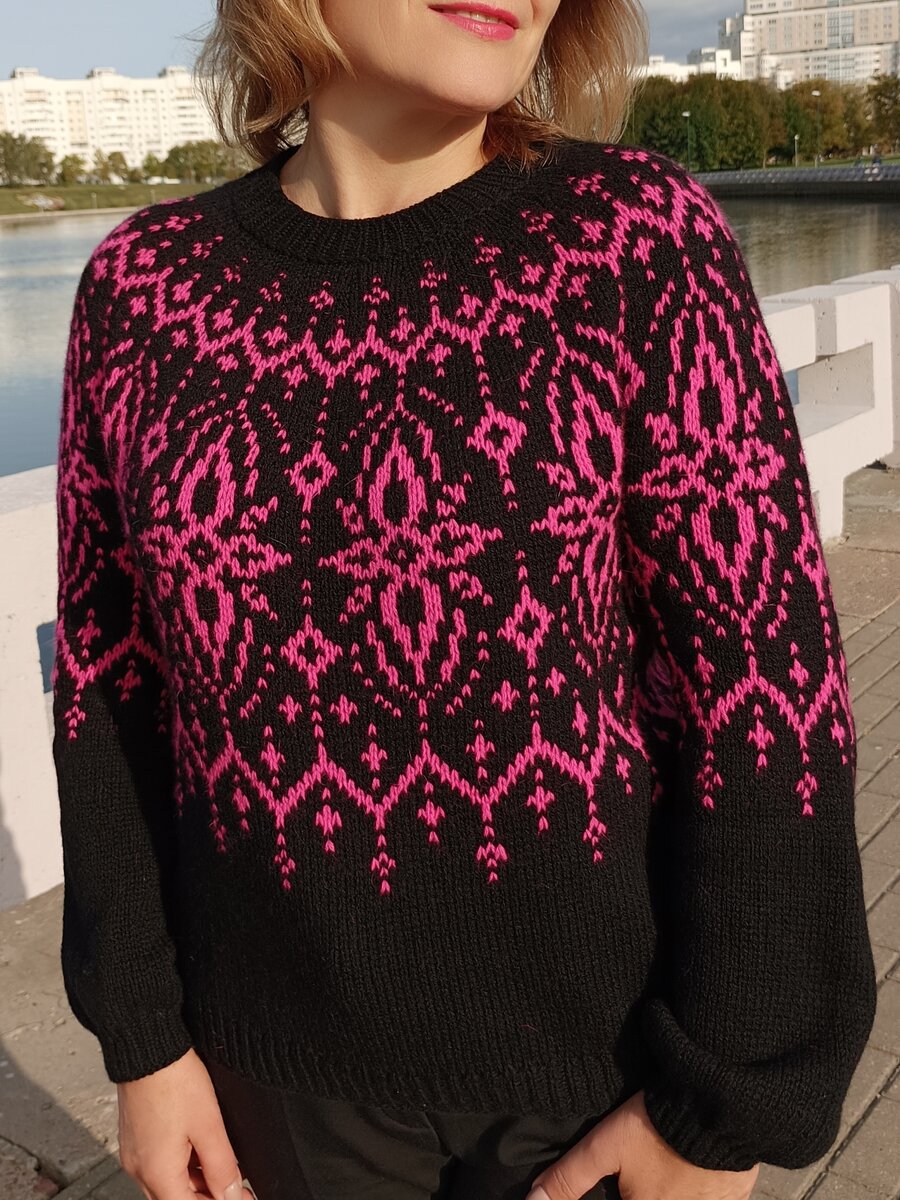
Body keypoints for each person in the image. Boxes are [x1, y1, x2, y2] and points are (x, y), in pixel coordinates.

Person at [50, 1, 877, 1198]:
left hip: (598, 1089)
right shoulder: (146, 291)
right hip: (263, 1089)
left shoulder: (632, 241)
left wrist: (723, 1105)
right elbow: (107, 687)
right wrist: (142, 1041)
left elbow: (766, 687)